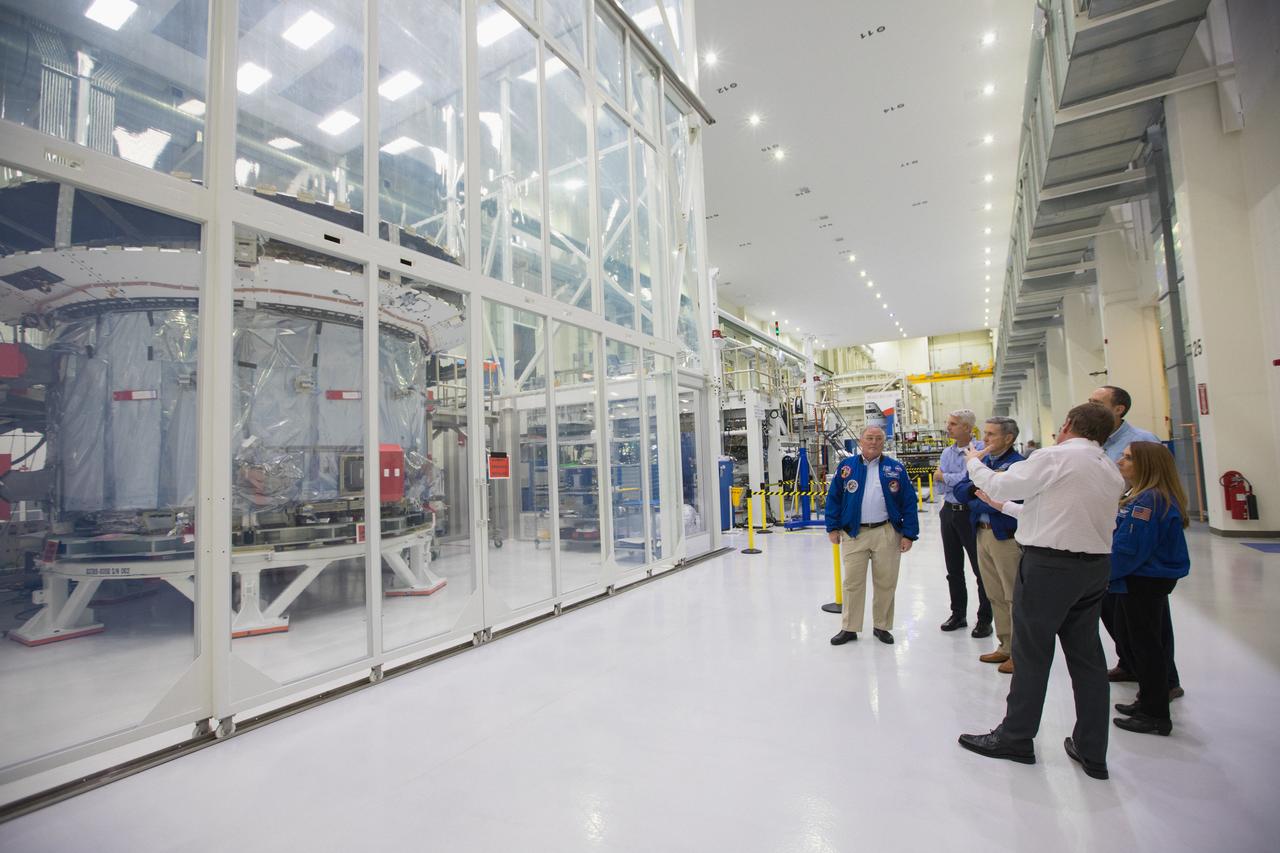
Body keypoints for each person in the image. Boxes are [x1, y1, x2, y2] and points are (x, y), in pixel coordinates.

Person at [956, 402, 1126, 781]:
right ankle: (1092, 748)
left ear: (1068, 425)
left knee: (1032, 653)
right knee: (1087, 659)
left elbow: (999, 480)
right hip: (1093, 568)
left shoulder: (1056, 458)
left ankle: (1016, 738)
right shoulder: (1107, 468)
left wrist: (973, 461)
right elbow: (1060, 511)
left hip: (1050, 567)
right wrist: (1005, 507)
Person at [1089, 385, 1183, 698]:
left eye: (1097, 402)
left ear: (1119, 409)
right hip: (1106, 539)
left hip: (1134, 551)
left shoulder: (1141, 442)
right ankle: (1130, 663)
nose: (1091, 406)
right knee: (1116, 613)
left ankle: (1165, 682)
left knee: (1149, 624)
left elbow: (1153, 487)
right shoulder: (1095, 444)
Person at [1110, 442, 1191, 736]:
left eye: (1129, 458)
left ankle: (1155, 714)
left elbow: (1130, 549)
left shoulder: (1148, 502)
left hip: (1143, 579)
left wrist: (1104, 574)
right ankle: (1146, 699)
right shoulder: (1143, 496)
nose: (1121, 461)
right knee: (1139, 641)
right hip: (1144, 577)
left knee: (1147, 646)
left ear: (1146, 465)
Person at [826, 426, 919, 646]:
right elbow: (834, 498)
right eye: (869, 438)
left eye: (878, 439)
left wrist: (909, 534)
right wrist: (832, 527)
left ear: (883, 442)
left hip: (886, 532)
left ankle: (882, 626)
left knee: (886, 582)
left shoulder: (895, 469)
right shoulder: (846, 467)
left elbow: (909, 502)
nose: (874, 442)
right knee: (852, 583)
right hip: (854, 533)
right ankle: (849, 627)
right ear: (860, 440)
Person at [955, 417, 1025, 675]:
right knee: (994, 593)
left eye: (991, 435)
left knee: (1013, 596)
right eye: (985, 434)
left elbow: (1011, 498)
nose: (985, 440)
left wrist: (982, 496)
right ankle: (1005, 645)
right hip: (982, 534)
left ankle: (1020, 653)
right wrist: (982, 490)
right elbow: (962, 490)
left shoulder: (1018, 465)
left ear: (1008, 438)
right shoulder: (983, 461)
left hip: (1005, 536)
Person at [933, 409, 991, 637]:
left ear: (967, 427)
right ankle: (958, 614)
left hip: (970, 514)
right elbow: (941, 487)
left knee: (981, 570)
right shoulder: (947, 452)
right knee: (953, 568)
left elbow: (971, 482)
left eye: (953, 424)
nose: (949, 427)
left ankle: (985, 619)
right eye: (949, 423)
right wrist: (953, 481)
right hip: (948, 513)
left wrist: (945, 477)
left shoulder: (979, 452)